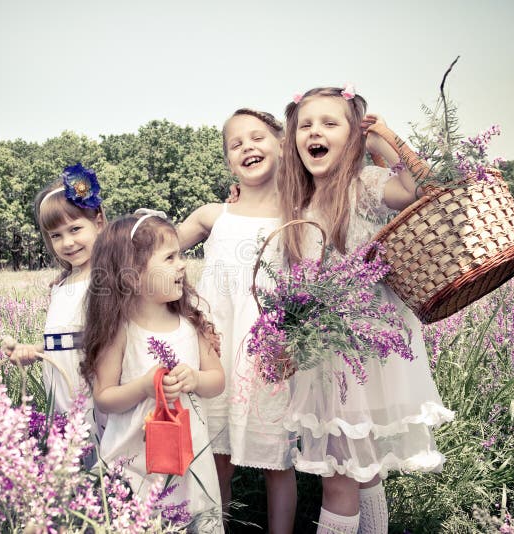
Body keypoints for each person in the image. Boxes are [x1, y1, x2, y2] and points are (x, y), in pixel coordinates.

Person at [278, 87, 455, 534]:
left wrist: (388, 141)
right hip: (324, 356)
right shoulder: (298, 206)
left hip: (363, 354)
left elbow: (428, 187)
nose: (315, 132)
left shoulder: (366, 186)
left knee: (340, 477)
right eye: (306, 125)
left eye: (330, 123)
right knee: (362, 471)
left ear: (353, 138)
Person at [178, 109, 296, 533]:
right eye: (236, 143)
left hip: (268, 355)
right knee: (216, 459)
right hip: (214, 355)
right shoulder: (214, 215)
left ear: (283, 146)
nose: (248, 146)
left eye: (258, 137)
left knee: (276, 462)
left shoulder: (297, 215)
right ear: (229, 162)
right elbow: (151, 247)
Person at [81, 213, 224, 532]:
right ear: (132, 277)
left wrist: (196, 379)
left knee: (190, 514)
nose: (182, 265)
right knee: (140, 520)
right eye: (170, 257)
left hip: (187, 453)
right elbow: (104, 397)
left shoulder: (190, 323)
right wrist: (145, 387)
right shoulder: (120, 332)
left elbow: (217, 380)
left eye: (181, 255)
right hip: (135, 457)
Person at [2, 163, 106, 457]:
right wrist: (32, 351)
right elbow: (67, 340)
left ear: (98, 222)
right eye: (56, 235)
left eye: (75, 229)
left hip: (94, 385)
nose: (67, 242)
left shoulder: (107, 279)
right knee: (70, 454)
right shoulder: (61, 286)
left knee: (99, 454)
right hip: (61, 387)